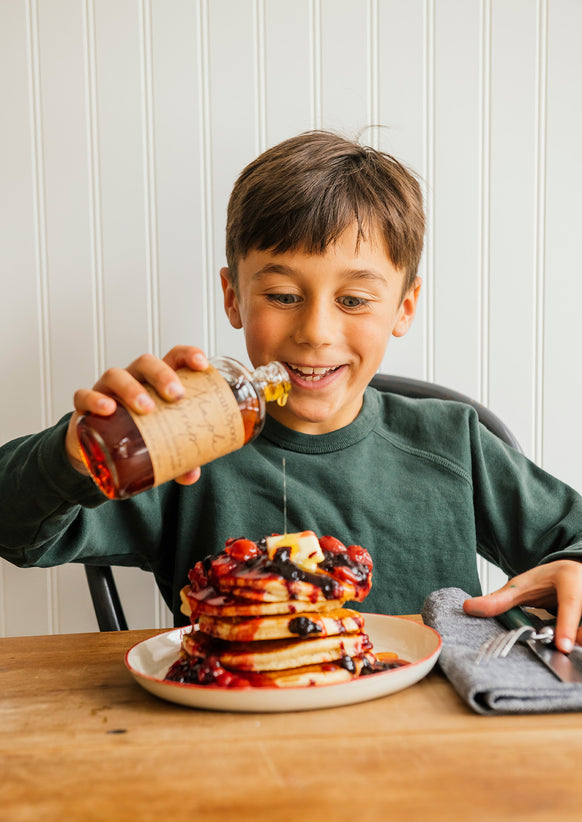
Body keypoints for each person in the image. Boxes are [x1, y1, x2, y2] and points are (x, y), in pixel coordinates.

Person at [1, 130, 582, 651]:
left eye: (353, 300)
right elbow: (13, 528)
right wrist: (72, 454)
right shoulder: (181, 446)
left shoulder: (452, 443)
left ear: (404, 308)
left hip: (427, 736)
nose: (315, 333)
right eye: (282, 296)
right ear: (233, 297)